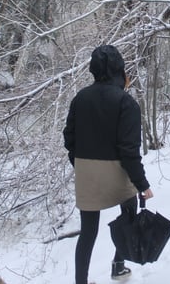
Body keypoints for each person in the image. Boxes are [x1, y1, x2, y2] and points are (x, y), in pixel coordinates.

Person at [63, 45, 153, 284]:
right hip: (117, 173)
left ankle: (80, 281)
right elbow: (129, 150)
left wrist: (80, 165)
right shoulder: (126, 103)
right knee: (129, 212)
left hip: (86, 172)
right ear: (120, 71)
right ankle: (118, 265)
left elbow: (69, 138)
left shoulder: (80, 98)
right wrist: (142, 184)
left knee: (88, 232)